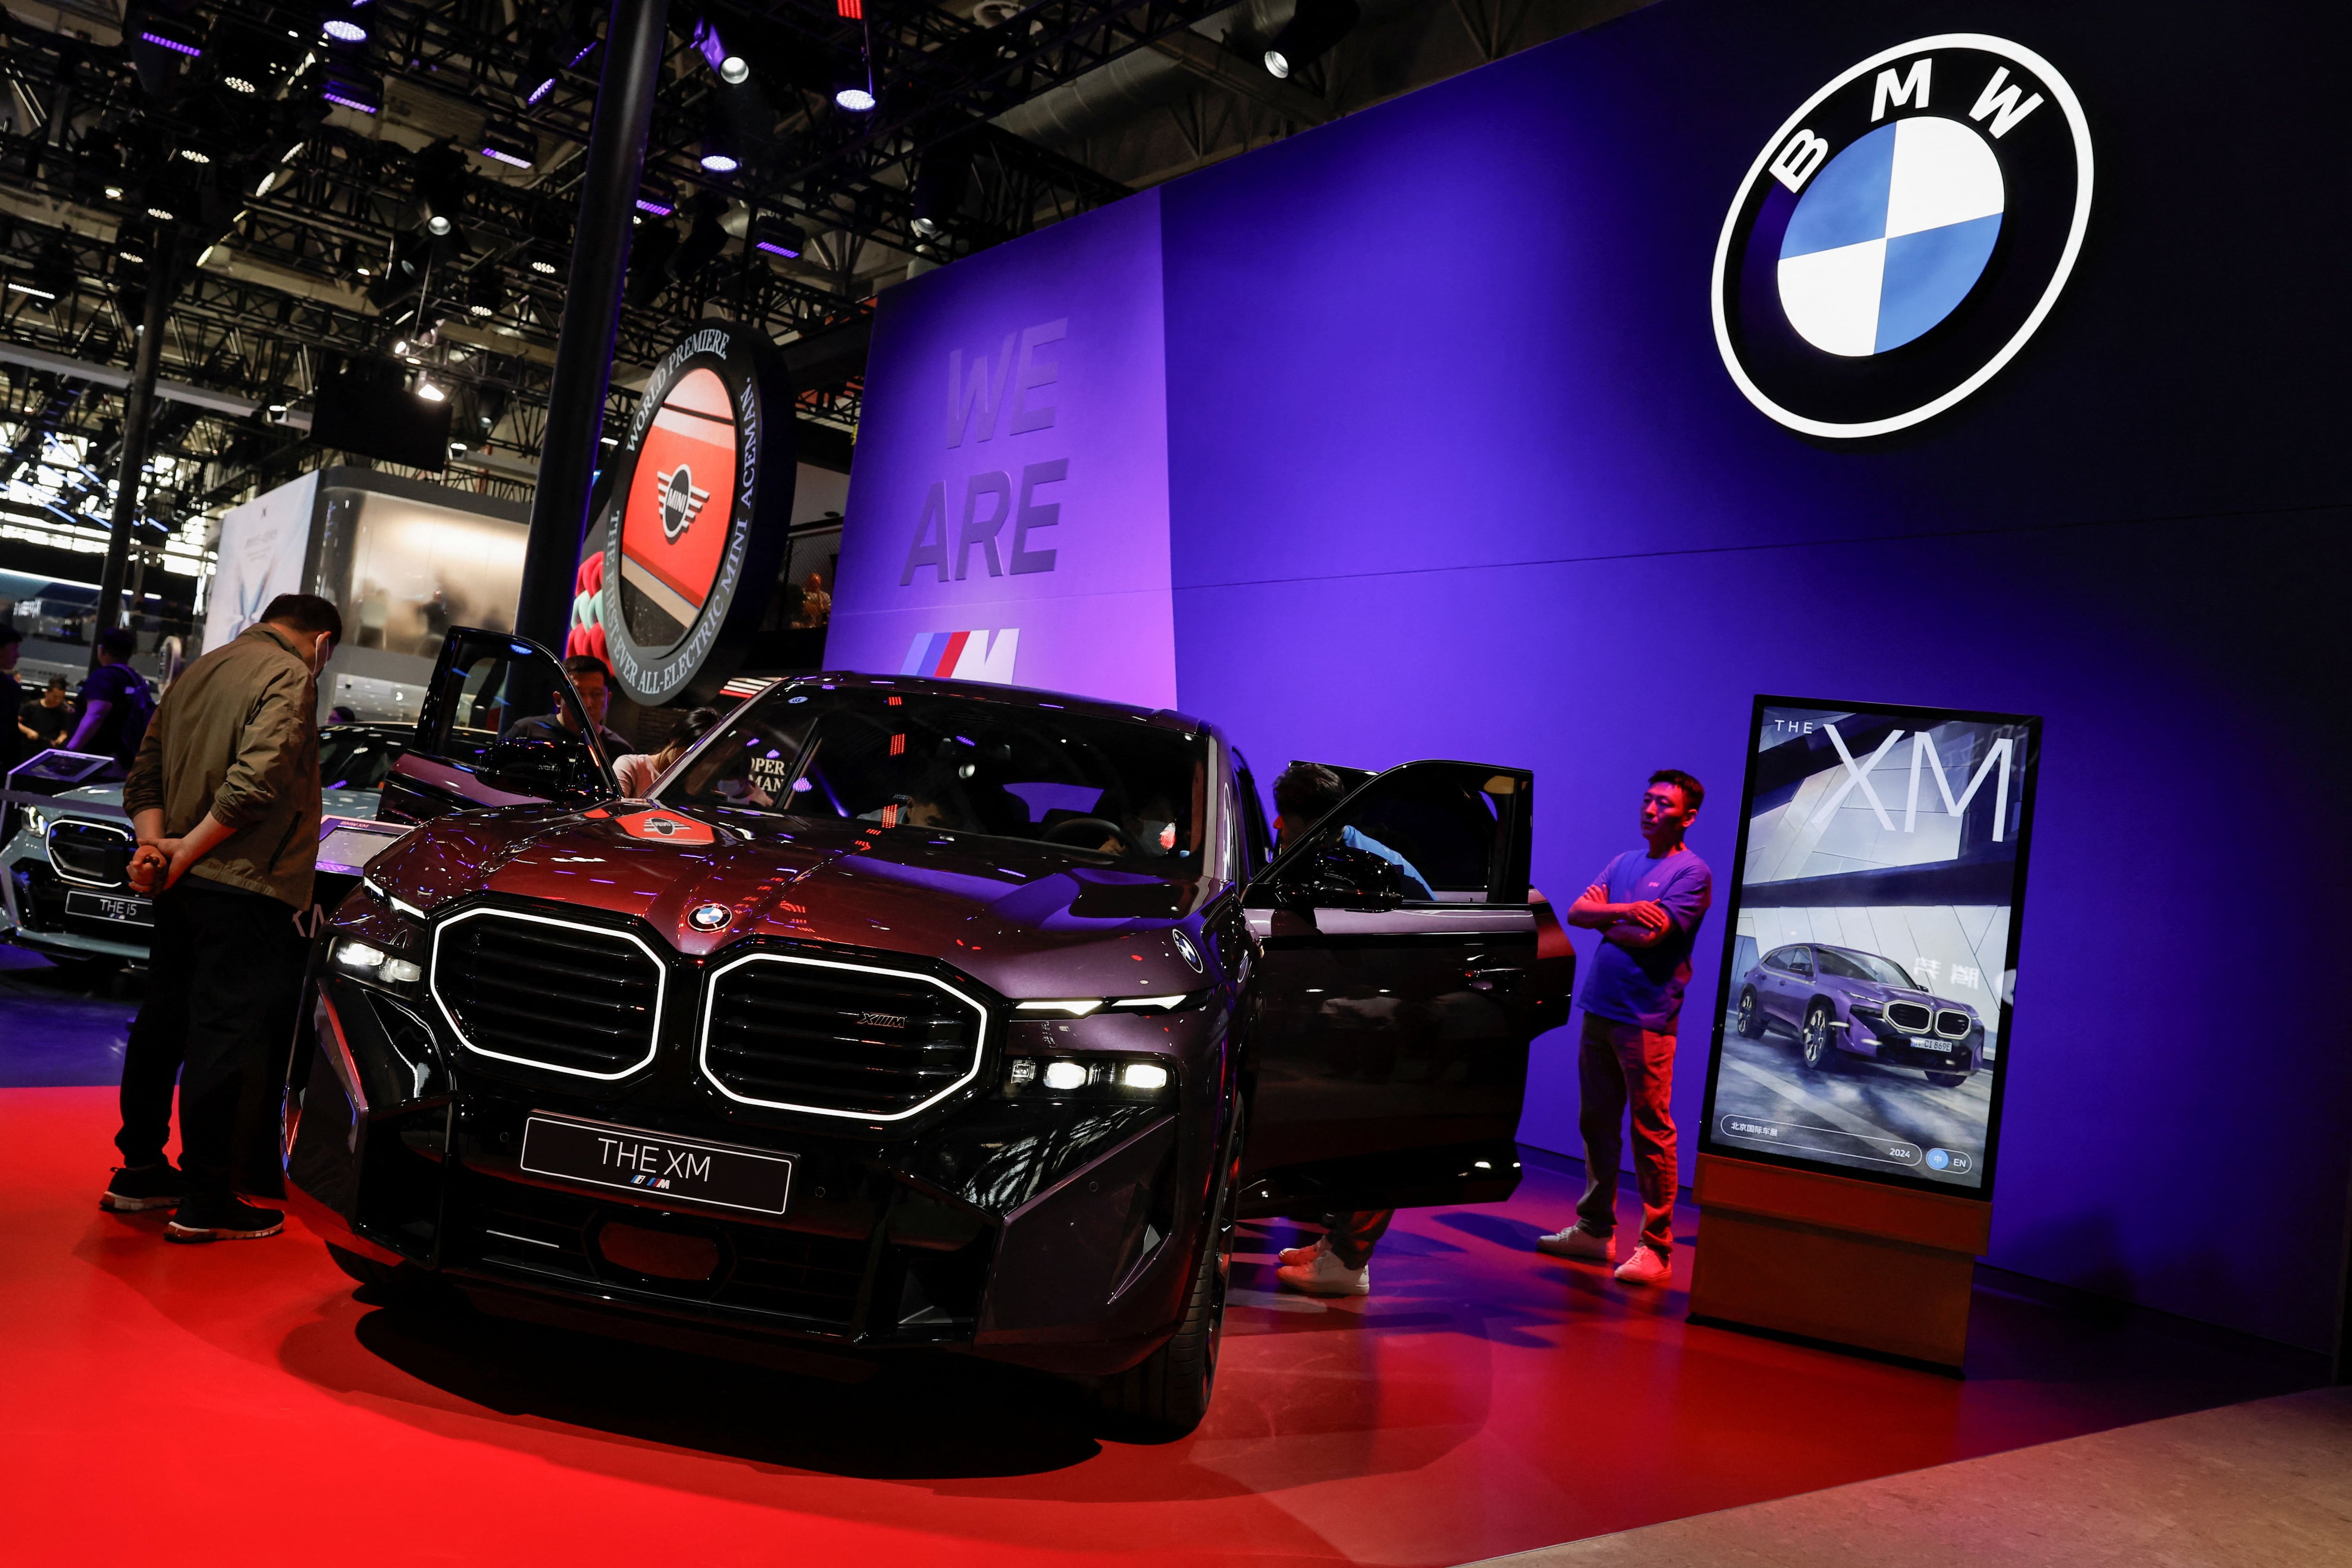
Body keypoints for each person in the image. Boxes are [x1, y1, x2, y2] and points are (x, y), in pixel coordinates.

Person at [103, 593, 343, 1242]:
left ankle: (139, 1170)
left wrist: (157, 846)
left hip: (180, 880)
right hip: (246, 882)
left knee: (163, 1021)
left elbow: (144, 775)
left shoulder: (202, 668)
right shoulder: (290, 675)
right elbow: (258, 781)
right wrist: (189, 847)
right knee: (223, 1035)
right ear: (321, 643)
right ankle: (205, 1196)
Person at [1536, 770, 1713, 1286]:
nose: (1650, 810)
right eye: (1647, 800)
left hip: (1647, 1019)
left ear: (1688, 815)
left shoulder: (1692, 873)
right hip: (1599, 1008)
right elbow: (1576, 911)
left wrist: (1608, 920)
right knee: (1596, 1122)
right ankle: (1595, 1229)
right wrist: (1624, 911)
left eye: (1663, 804)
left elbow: (1650, 937)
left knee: (1650, 1131)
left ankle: (1656, 1248)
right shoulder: (1623, 862)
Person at [1266, 761, 1413, 1298]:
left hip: (1383, 1008)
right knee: (1337, 1123)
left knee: (1373, 1136)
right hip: (1333, 1007)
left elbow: (1415, 944)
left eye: (1290, 820)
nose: (1282, 828)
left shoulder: (1376, 864)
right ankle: (1336, 1244)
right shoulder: (1301, 849)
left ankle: (1351, 1262)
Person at [501, 652, 631, 758]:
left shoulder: (620, 751)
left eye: (597, 694)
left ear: (608, 700)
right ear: (558, 699)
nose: (587, 704)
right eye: (578, 695)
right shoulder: (527, 732)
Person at [66, 626, 156, 771]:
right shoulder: (135, 679)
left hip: (97, 761)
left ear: (101, 650)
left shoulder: (104, 676)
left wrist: (70, 751)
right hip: (125, 759)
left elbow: (97, 713)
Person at [613, 705, 719, 796]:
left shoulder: (697, 783)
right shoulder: (632, 767)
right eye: (688, 750)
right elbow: (614, 810)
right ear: (675, 737)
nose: (691, 761)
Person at [19, 675, 72, 752]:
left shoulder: (63, 711)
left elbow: (64, 733)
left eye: (61, 698)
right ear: (47, 693)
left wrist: (59, 741)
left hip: (48, 748)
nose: (58, 701)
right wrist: (28, 731)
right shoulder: (32, 706)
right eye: (55, 697)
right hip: (29, 747)